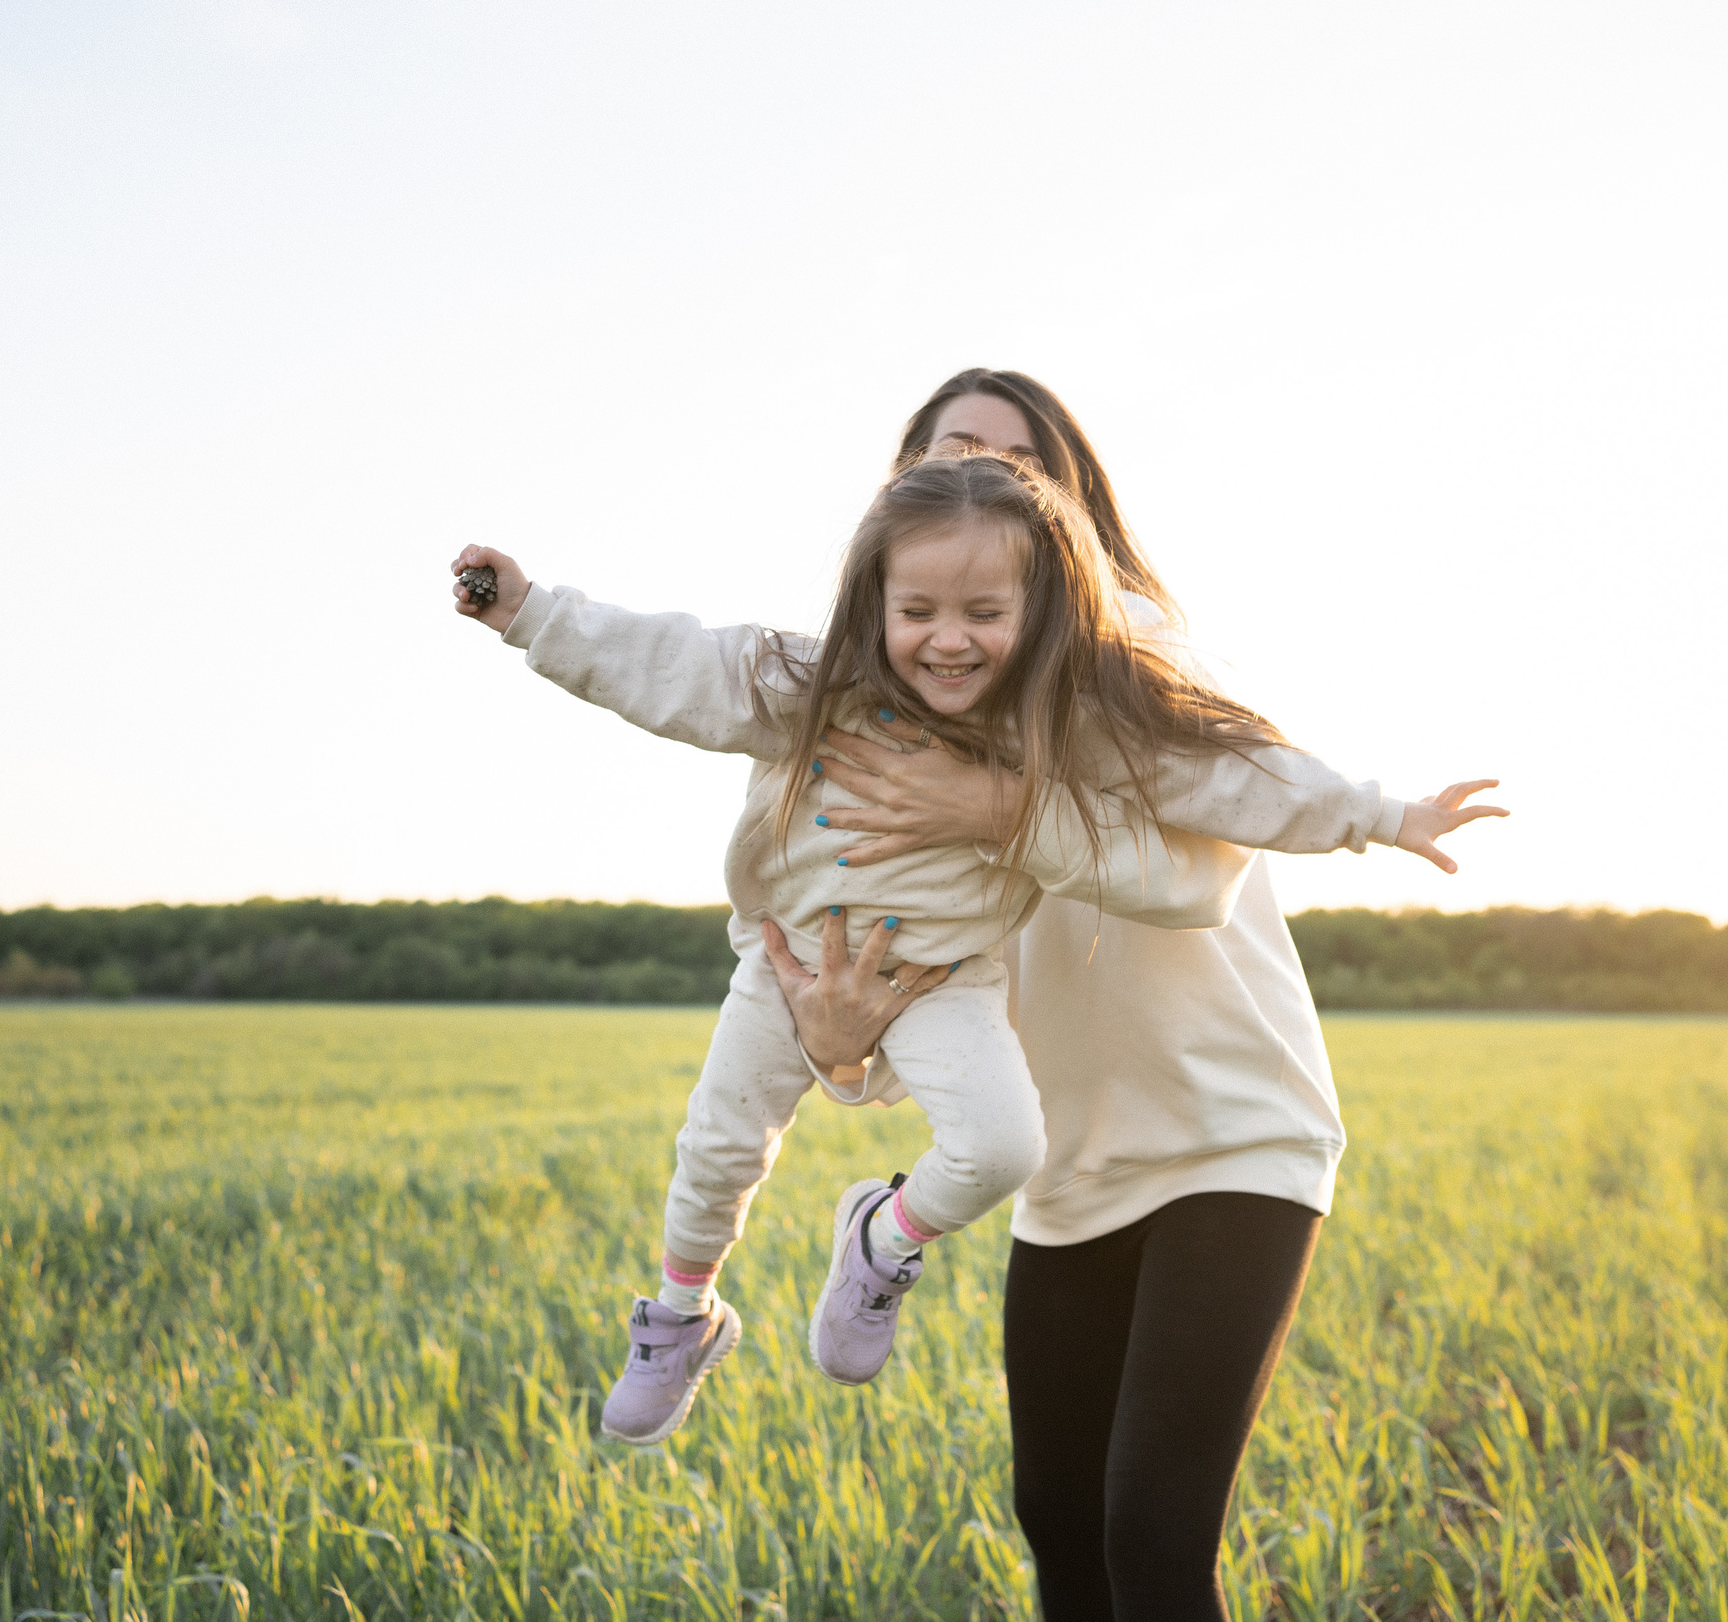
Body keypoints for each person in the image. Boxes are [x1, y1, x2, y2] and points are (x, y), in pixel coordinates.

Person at [449, 448, 1467, 1455]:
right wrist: (531, 613)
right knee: (719, 1143)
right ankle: (681, 1313)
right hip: (788, 961)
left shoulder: (1069, 724)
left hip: (946, 983)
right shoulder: (806, 686)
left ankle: (881, 1238)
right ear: (875, 598)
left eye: (985, 614)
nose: (948, 642)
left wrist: (1380, 814)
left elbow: (1227, 776)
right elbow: (665, 664)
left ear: (1045, 603)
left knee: (1003, 1148)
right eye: (919, 611)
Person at [754, 369, 1505, 1622]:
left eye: (1020, 463)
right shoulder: (893, 713)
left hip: (1230, 1135)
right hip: (1072, 1170)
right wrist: (846, 1054)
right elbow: (926, 965)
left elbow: (1198, 881)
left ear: (1070, 512)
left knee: (1151, 1534)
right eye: (956, 455)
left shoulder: (1134, 658)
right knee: (1058, 1522)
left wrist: (996, 808)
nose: (989, 479)